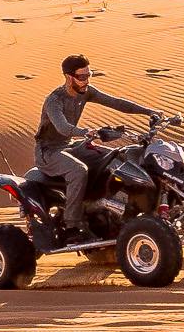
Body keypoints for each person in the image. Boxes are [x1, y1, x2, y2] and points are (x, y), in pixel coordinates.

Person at [35, 54, 153, 236]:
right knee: (79, 170)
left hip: (70, 146)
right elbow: (63, 127)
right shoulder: (54, 100)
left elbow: (117, 103)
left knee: (117, 157)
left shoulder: (87, 91)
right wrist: (85, 132)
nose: (86, 81)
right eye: (82, 77)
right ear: (68, 77)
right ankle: (72, 225)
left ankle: (114, 209)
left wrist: (150, 112)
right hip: (48, 152)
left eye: (89, 75)